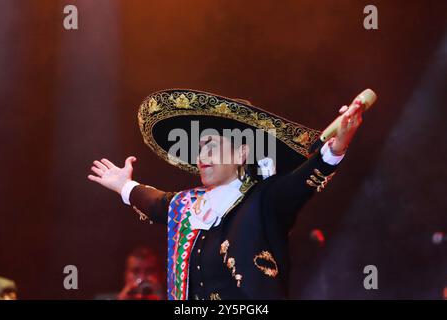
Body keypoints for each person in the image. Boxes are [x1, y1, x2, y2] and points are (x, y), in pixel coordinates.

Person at [88, 89, 365, 299]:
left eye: (212, 146)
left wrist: (338, 144)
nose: (201, 156)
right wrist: (124, 185)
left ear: (242, 152)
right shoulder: (187, 205)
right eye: (199, 148)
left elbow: (304, 180)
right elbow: (154, 202)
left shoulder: (264, 200)